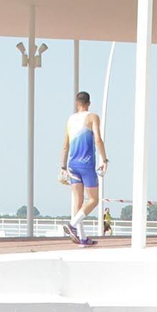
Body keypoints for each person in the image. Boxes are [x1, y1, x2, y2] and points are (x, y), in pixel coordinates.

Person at [59, 92, 107, 246]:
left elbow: (65, 145)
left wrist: (62, 166)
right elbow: (98, 139)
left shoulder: (70, 119)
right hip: (86, 164)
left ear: (76, 103)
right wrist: (104, 159)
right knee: (93, 199)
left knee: (78, 201)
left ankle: (82, 238)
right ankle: (72, 225)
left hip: (72, 164)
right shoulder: (93, 117)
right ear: (89, 103)